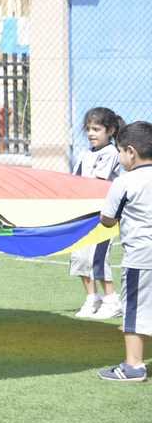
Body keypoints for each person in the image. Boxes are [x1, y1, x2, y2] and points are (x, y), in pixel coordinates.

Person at [97, 121, 152, 382]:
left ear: (131, 151)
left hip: (141, 258)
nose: (119, 158)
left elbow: (107, 219)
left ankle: (133, 366)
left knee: (134, 309)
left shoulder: (125, 182)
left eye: (119, 151)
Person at [71, 107, 125, 319]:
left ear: (110, 130)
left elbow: (97, 183)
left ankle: (112, 300)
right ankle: (92, 298)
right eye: (89, 129)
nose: (91, 133)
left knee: (98, 258)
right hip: (83, 214)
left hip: (102, 217)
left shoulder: (111, 153)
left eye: (96, 129)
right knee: (79, 256)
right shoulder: (85, 154)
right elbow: (74, 180)